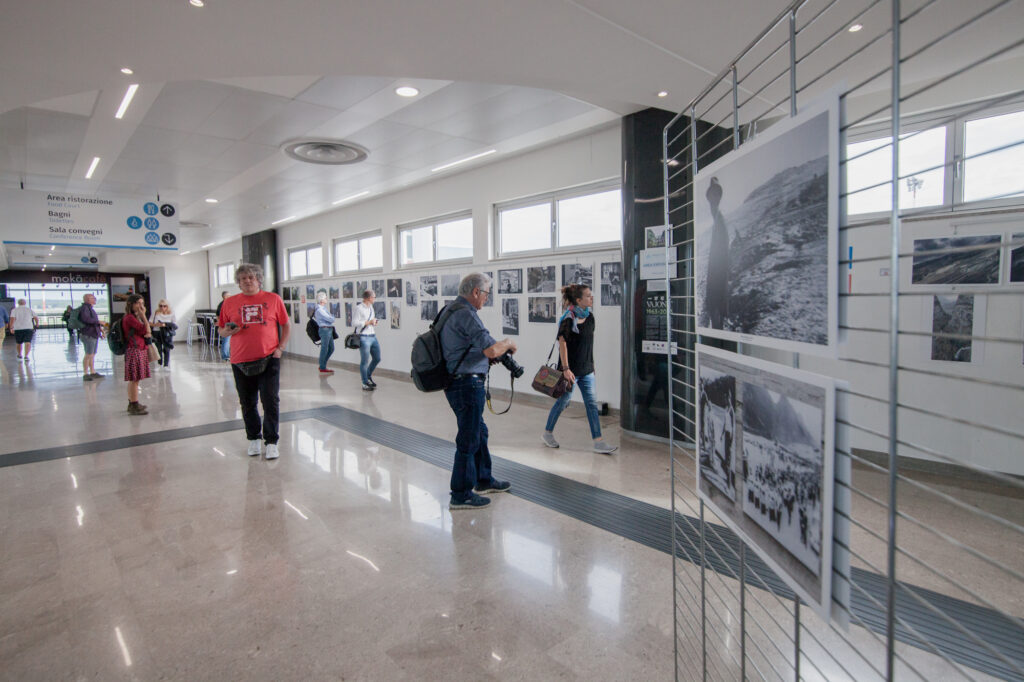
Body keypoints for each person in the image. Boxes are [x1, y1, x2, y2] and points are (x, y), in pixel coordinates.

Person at [440, 273, 516, 510]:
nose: (486, 298)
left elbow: (463, 347)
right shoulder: (466, 314)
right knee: (469, 437)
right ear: (475, 292)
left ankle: (483, 479)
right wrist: (508, 343)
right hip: (466, 385)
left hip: (457, 382)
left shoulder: (449, 310)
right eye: (486, 294)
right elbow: (492, 349)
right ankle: (460, 493)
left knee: (479, 432)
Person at [218, 263, 290, 460]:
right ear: (238, 283)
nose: (247, 281)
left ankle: (272, 441)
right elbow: (221, 329)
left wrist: (280, 348)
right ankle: (253, 439)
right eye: (243, 279)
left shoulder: (273, 299)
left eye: (251, 277)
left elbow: (286, 324)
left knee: (270, 401)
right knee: (247, 402)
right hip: (240, 360)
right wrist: (227, 331)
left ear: (259, 279)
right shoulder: (229, 303)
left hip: (269, 358)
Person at [542, 284, 617, 454]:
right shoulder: (568, 318)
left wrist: (592, 365)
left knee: (591, 404)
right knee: (563, 402)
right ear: (578, 300)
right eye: (589, 296)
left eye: (591, 295)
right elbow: (563, 345)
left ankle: (598, 442)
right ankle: (547, 433)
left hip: (586, 370)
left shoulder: (590, 318)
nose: (592, 298)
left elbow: (588, 345)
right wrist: (566, 369)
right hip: (570, 371)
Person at [121, 294, 152, 415]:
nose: (141, 306)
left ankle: (133, 402)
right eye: (138, 303)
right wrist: (143, 316)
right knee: (134, 379)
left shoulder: (132, 317)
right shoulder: (130, 318)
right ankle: (133, 404)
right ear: (131, 304)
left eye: (142, 303)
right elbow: (146, 330)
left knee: (136, 379)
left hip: (138, 348)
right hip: (135, 349)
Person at [352, 289, 380, 391]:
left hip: (373, 335)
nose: (375, 299)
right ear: (369, 298)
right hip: (364, 337)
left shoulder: (371, 307)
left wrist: (374, 322)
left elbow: (371, 320)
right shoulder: (359, 308)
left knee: (377, 358)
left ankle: (367, 376)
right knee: (365, 361)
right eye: (374, 297)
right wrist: (368, 322)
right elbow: (354, 323)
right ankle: (365, 383)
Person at [79, 293, 105, 381]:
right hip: (88, 334)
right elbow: (87, 319)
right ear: (87, 299)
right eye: (92, 298)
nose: (95, 299)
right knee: (88, 354)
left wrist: (100, 330)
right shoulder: (85, 308)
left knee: (92, 354)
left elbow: (94, 322)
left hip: (93, 334)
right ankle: (85, 373)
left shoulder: (90, 309)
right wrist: (99, 322)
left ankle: (92, 371)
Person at [149, 299, 176, 370]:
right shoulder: (156, 313)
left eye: (164, 306)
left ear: (167, 306)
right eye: (160, 306)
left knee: (167, 348)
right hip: (157, 332)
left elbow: (174, 324)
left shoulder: (171, 314)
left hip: (167, 333)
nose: (162, 308)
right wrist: (156, 324)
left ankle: (166, 365)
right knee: (158, 348)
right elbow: (150, 322)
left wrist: (165, 324)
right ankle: (159, 363)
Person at [313, 291, 336, 374]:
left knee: (331, 348)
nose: (327, 299)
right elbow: (331, 319)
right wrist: (331, 318)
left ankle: (322, 364)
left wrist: (331, 318)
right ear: (321, 300)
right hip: (324, 330)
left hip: (329, 329)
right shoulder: (319, 310)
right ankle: (322, 366)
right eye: (325, 298)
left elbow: (331, 318)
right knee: (324, 349)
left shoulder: (324, 309)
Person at [216, 291, 231, 361]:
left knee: (227, 340)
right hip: (225, 324)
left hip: (228, 323)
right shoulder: (223, 304)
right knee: (226, 340)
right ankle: (225, 356)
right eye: (228, 296)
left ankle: (227, 355)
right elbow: (218, 315)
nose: (230, 297)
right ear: (224, 297)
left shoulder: (224, 304)